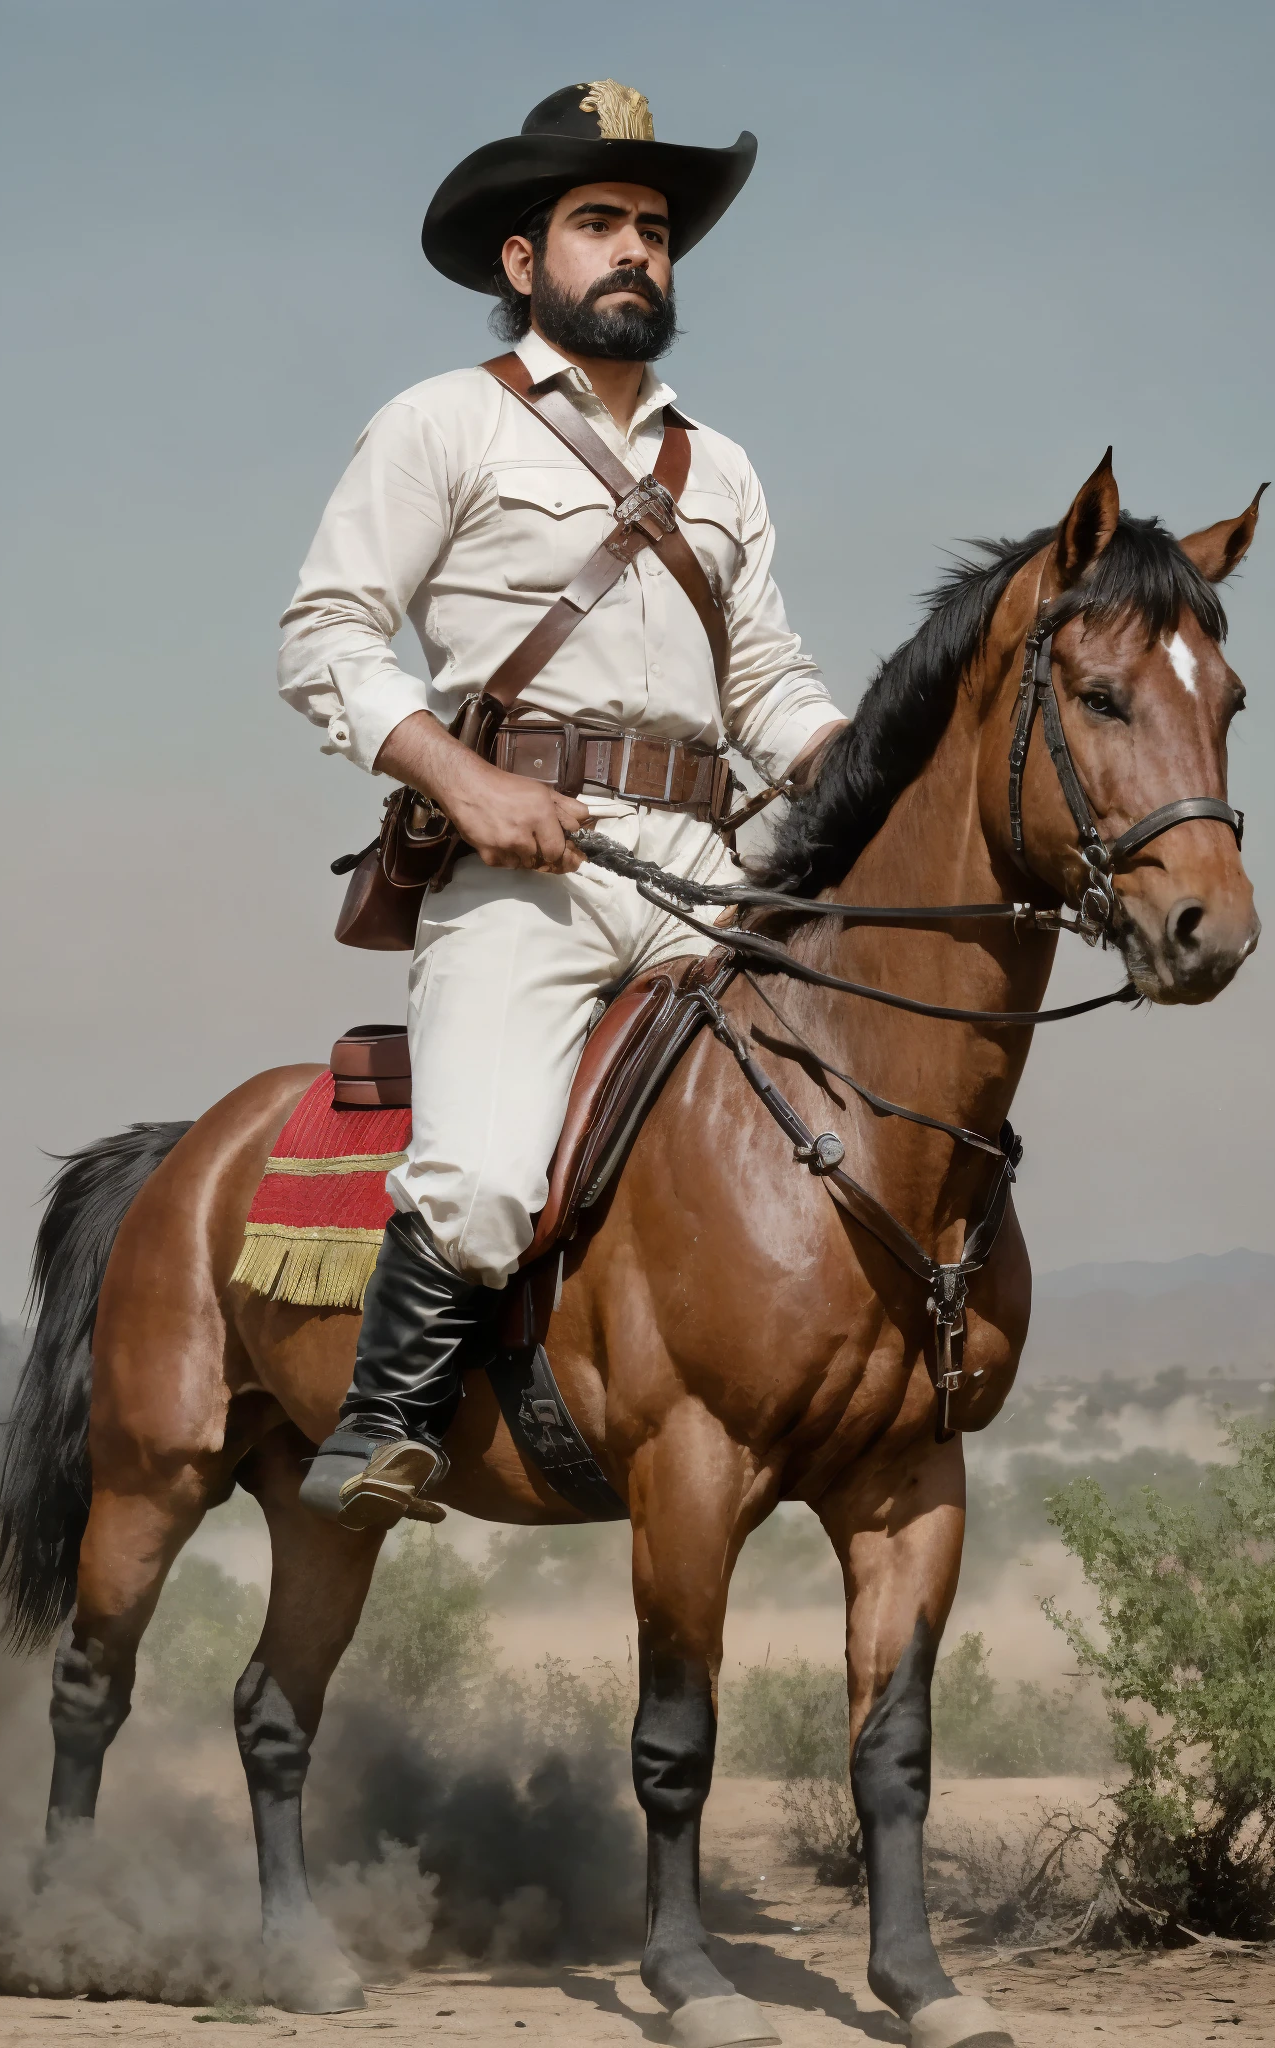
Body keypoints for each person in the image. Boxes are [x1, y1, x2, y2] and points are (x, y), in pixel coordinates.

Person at [279, 81, 847, 1528]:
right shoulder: (438, 425)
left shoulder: (718, 466)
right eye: (600, 223)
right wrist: (465, 783)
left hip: (705, 867)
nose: (637, 251)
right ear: (524, 262)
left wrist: (858, 766)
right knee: (475, 1182)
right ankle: (383, 1425)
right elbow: (327, 637)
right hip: (522, 872)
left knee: (835, 1116)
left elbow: (767, 674)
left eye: (655, 229)